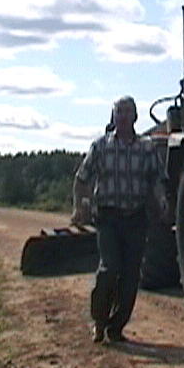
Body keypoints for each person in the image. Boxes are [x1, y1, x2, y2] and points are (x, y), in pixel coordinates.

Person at [71, 95, 164, 344]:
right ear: (113, 117)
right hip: (108, 218)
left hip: (136, 218)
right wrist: (80, 206)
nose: (122, 117)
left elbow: (157, 179)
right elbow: (82, 178)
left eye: (127, 112)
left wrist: (162, 204)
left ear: (135, 117)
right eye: (118, 112)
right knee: (110, 268)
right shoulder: (101, 147)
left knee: (132, 275)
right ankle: (99, 321)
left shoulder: (146, 148)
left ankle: (116, 327)